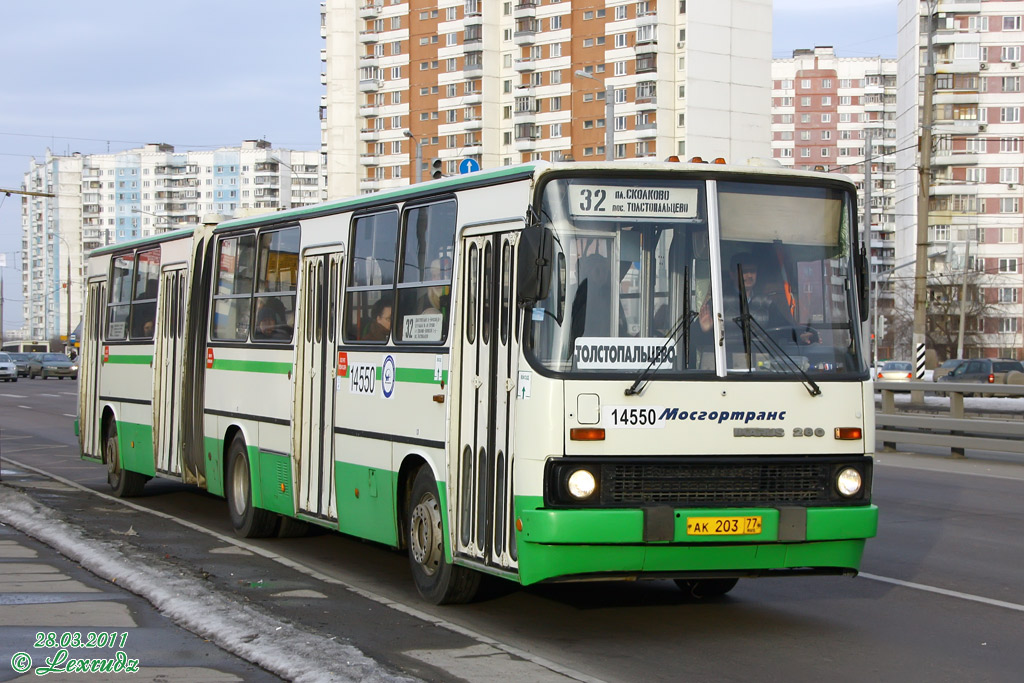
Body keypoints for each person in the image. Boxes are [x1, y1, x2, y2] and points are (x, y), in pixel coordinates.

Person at [699, 251, 817, 345]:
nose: (749, 275)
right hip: (726, 367)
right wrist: (705, 330)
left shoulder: (767, 303)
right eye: (744, 272)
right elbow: (696, 340)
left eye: (752, 271)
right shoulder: (718, 302)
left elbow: (784, 330)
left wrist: (801, 335)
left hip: (759, 368)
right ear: (732, 274)